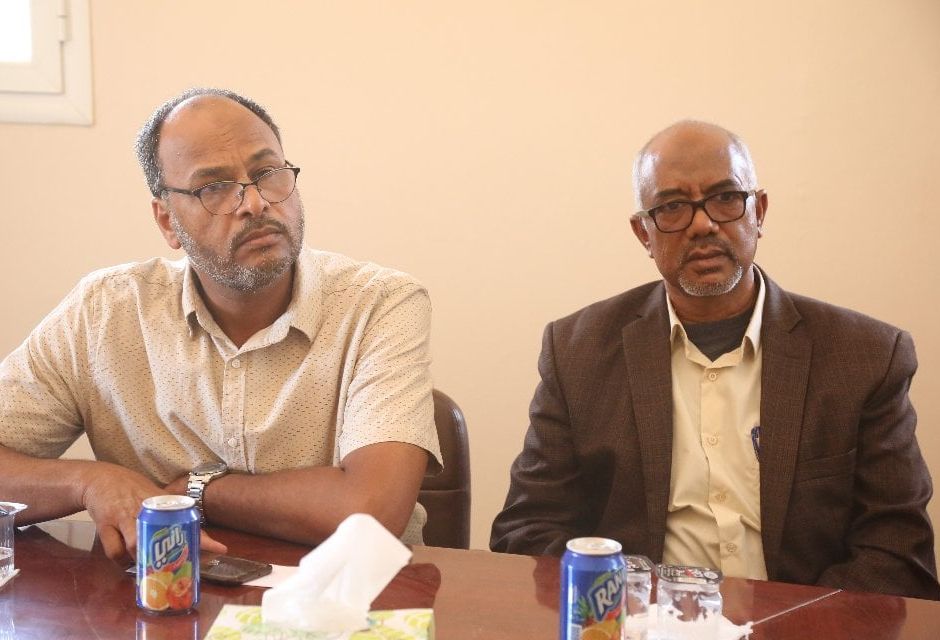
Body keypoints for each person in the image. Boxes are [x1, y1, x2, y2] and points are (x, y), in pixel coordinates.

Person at [490, 120, 940, 600]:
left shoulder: (864, 357)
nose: (703, 224)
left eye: (725, 198)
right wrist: (634, 613)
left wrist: (784, 626)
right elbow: (528, 531)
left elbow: (897, 554)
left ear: (758, 212)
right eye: (672, 207)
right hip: (638, 622)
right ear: (644, 233)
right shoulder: (577, 351)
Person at [0, 87, 441, 562]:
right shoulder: (104, 311)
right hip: (167, 590)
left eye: (267, 174)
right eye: (214, 187)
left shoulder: (379, 303)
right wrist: (89, 482)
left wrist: (197, 491)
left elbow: (371, 510)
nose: (254, 203)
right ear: (167, 221)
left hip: (353, 592)